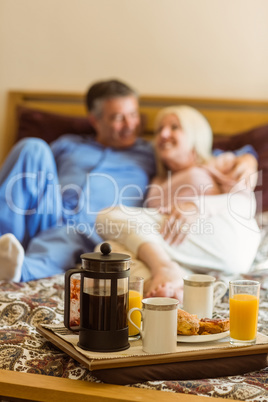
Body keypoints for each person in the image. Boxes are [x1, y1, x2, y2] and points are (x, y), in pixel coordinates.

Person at [0, 80, 258, 283]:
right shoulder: (69, 144)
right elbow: (33, 178)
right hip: (49, 216)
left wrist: (249, 158)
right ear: (95, 120)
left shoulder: (150, 152)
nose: (130, 125)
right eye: (118, 117)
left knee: (54, 250)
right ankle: (5, 240)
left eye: (134, 115)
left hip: (91, 232)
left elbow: (203, 155)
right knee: (32, 148)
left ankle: (17, 267)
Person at [96, 106, 261, 301]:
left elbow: (245, 204)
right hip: (186, 249)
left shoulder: (218, 162)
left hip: (228, 239)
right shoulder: (156, 180)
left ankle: (163, 269)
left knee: (106, 216)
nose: (164, 134)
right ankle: (168, 288)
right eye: (159, 130)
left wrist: (196, 207)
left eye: (174, 127)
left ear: (194, 134)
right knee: (104, 251)